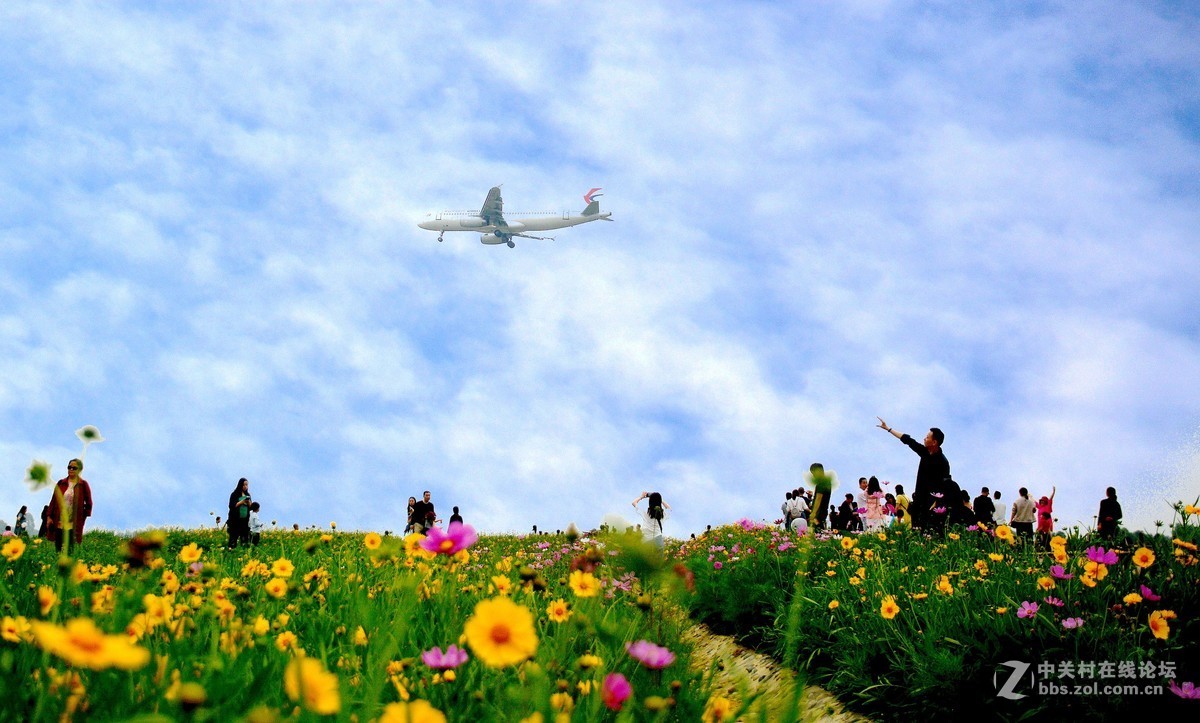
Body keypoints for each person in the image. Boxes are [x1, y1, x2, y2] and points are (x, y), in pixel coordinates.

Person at [877, 418, 949, 530]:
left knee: (929, 531)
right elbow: (908, 440)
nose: (924, 439)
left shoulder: (943, 462)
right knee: (916, 530)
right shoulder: (925, 452)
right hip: (918, 500)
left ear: (934, 442)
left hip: (931, 504)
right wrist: (888, 429)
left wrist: (937, 503)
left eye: (927, 437)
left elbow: (946, 485)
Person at [46, 458, 93, 552]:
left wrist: (82, 516)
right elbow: (53, 500)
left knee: (70, 550)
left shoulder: (83, 485)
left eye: (74, 468)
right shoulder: (61, 483)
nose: (71, 469)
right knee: (58, 549)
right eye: (69, 467)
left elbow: (89, 503)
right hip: (59, 522)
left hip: (73, 524)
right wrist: (49, 516)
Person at [227, 478, 252, 549]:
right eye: (244, 485)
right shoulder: (234, 494)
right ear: (240, 485)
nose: (245, 486)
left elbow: (251, 508)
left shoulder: (248, 494)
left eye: (246, 485)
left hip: (245, 520)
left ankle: (244, 551)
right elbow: (231, 505)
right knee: (233, 537)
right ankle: (231, 550)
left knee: (244, 538)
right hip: (235, 520)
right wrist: (241, 502)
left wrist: (249, 502)